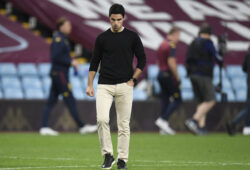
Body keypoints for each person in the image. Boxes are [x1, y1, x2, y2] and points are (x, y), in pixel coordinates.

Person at [86, 4, 146, 169]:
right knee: (102, 119)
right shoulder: (102, 38)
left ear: (123, 19)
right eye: (113, 20)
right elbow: (94, 62)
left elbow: (142, 60)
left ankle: (122, 160)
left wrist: (134, 79)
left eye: (119, 20)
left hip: (125, 85)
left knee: (123, 124)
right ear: (109, 18)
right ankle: (108, 155)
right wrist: (89, 84)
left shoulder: (132, 37)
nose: (116, 23)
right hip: (104, 84)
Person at [40, 17, 97, 136]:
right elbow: (55, 57)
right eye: (67, 25)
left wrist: (70, 61)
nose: (70, 27)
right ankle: (81, 126)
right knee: (69, 99)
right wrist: (71, 62)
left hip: (58, 73)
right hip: (60, 73)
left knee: (51, 100)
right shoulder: (59, 39)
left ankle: (44, 127)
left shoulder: (63, 39)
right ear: (61, 27)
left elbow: (61, 56)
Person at [184, 23, 222, 135]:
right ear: (209, 34)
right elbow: (218, 59)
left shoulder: (193, 42)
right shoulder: (208, 43)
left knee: (202, 101)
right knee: (211, 100)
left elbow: (187, 59)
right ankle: (193, 121)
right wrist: (222, 52)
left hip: (192, 75)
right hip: (204, 75)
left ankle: (201, 128)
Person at [155, 27, 182, 135]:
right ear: (174, 34)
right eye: (178, 36)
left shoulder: (162, 44)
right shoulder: (171, 45)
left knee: (165, 99)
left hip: (160, 74)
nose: (178, 39)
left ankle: (163, 128)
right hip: (167, 75)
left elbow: (158, 61)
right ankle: (163, 120)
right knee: (178, 99)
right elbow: (171, 62)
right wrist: (177, 76)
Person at [226, 48, 250, 136]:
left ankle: (234, 123)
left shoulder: (248, 54)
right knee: (249, 108)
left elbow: (244, 68)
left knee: (248, 107)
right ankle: (238, 124)